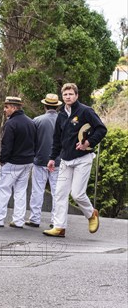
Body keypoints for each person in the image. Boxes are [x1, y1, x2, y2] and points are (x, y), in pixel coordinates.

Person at [44, 83, 107, 238]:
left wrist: (88, 143)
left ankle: (91, 214)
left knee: (77, 194)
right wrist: (52, 158)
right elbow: (57, 139)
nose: (68, 97)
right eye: (65, 95)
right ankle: (59, 227)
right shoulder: (61, 115)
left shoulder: (86, 111)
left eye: (71, 94)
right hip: (65, 160)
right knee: (59, 193)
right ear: (62, 97)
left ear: (76, 95)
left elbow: (101, 129)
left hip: (83, 158)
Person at [0, 97, 36, 229]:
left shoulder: (11, 123)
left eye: (6, 107)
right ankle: (18, 221)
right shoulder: (31, 122)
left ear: (14, 107)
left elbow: (6, 145)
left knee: (3, 189)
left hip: (13, 162)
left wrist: (2, 159)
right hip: (28, 162)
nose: (4, 110)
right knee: (20, 191)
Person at [26, 93, 62, 228]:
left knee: (37, 190)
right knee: (57, 193)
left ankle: (35, 219)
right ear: (57, 107)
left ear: (44, 105)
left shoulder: (37, 120)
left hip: (40, 160)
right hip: (58, 161)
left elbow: (31, 141)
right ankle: (55, 221)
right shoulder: (63, 121)